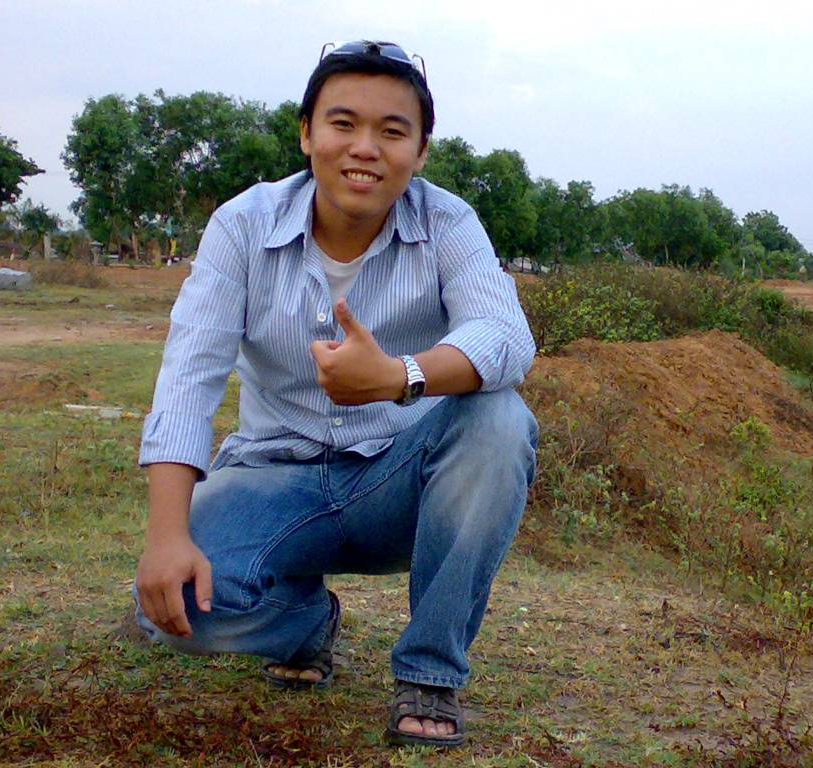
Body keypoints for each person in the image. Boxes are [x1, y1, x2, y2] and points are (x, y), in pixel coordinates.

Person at [133, 40, 538, 748]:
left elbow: (506, 337)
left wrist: (400, 376)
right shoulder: (243, 225)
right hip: (273, 477)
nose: (365, 149)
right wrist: (167, 537)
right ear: (306, 133)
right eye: (343, 123)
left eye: (392, 131)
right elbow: (188, 376)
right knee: (173, 611)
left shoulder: (448, 223)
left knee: (500, 418)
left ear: (421, 150)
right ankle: (308, 622)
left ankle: (430, 672)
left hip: (397, 484)